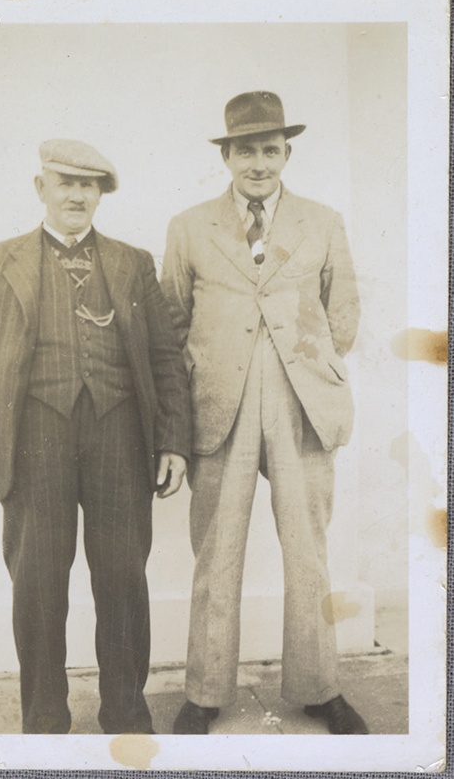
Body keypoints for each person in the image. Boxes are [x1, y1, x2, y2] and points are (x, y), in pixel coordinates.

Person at [0, 139, 191, 735]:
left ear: (100, 195)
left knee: (123, 582)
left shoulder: (134, 263)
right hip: (32, 441)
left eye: (90, 186)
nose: (78, 195)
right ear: (42, 189)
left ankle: (127, 714)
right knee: (37, 582)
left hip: (120, 440)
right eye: (66, 183)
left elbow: (165, 360)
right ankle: (44, 718)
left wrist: (174, 442)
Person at [161, 91, 367, 735]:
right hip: (218, 403)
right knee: (216, 551)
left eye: (270, 149)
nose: (258, 161)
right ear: (226, 155)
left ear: (286, 153)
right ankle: (204, 692)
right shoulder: (189, 226)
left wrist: (308, 367)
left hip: (301, 400)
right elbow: (172, 319)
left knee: (308, 550)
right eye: (245, 149)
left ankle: (318, 686)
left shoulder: (323, 219)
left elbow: (344, 312)